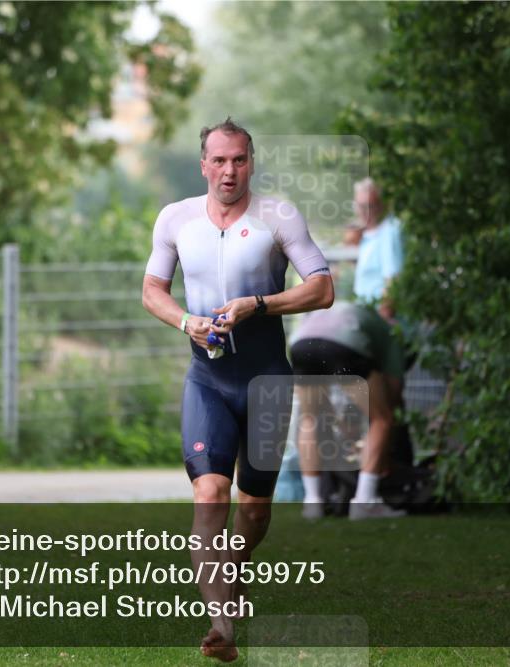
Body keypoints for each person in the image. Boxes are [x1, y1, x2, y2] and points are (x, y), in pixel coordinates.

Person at [142, 118, 334, 662]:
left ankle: (236, 572)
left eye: (239, 160)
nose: (229, 170)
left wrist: (261, 304)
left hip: (269, 381)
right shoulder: (175, 218)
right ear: (203, 164)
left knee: (253, 510)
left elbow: (322, 288)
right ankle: (221, 624)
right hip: (208, 380)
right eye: (219, 160)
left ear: (252, 163)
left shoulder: (279, 216)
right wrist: (185, 322)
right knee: (209, 494)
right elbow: (152, 289)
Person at [289, 301, 407, 520]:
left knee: (309, 419)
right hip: (343, 345)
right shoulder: (392, 334)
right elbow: (394, 392)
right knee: (383, 420)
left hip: (301, 343)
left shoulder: (353, 311)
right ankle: (365, 502)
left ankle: (313, 503)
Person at [352, 178, 403, 323]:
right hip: (367, 318)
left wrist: (382, 320)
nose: (363, 212)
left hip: (381, 322)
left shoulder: (389, 231)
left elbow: (393, 280)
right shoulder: (369, 234)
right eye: (359, 206)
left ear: (382, 205)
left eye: (369, 206)